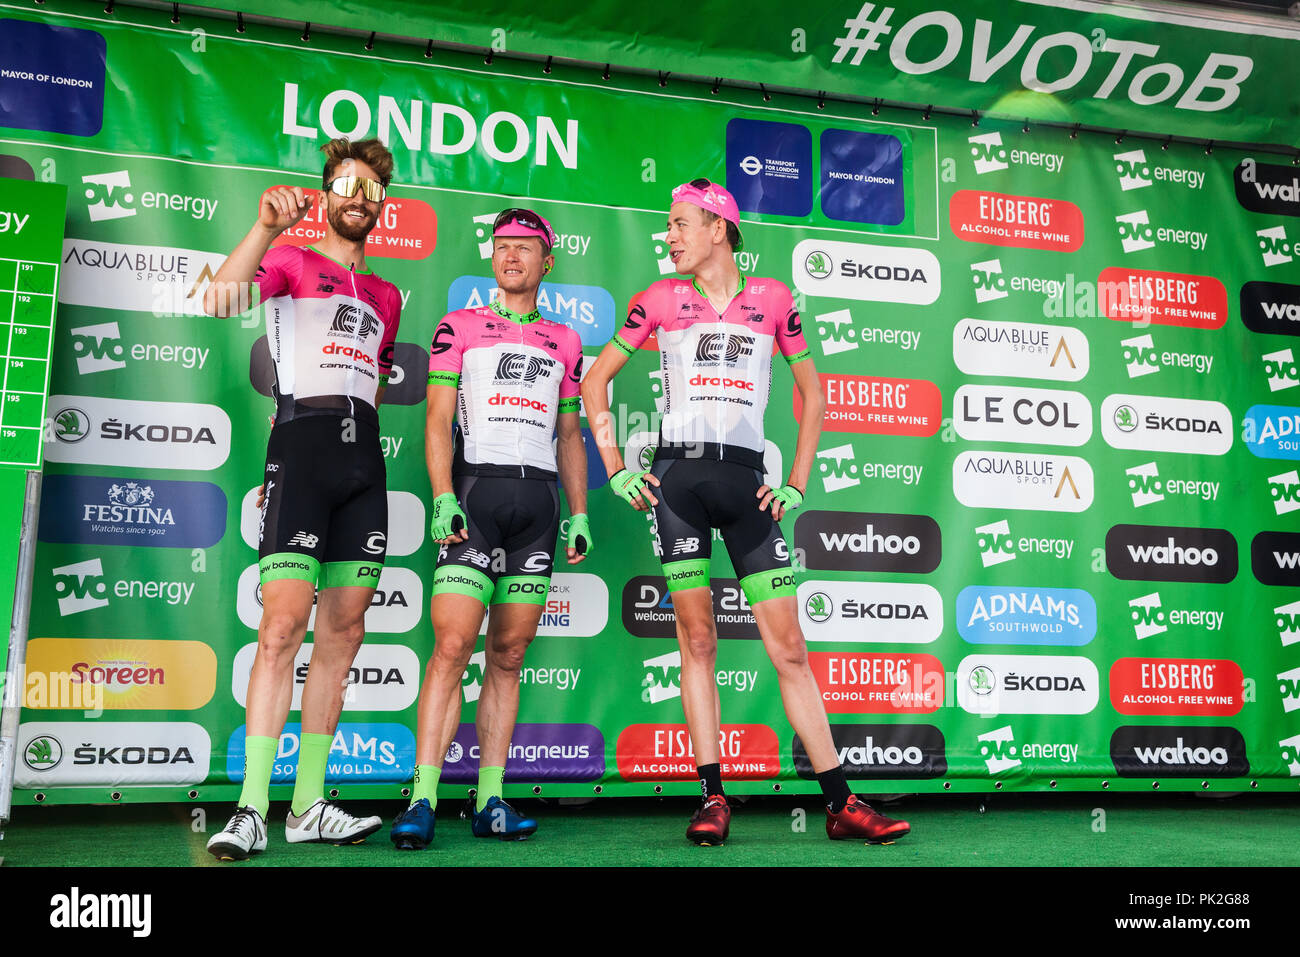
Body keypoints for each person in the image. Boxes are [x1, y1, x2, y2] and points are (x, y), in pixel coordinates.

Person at [581, 179, 911, 845]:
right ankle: (711, 796)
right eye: (669, 226)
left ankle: (842, 802)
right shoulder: (658, 299)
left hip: (747, 485)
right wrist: (615, 469)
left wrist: (795, 481)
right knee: (697, 640)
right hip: (677, 483)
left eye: (679, 225)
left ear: (719, 229)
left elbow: (813, 396)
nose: (669, 236)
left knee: (789, 646)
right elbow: (594, 380)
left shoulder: (774, 299)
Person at [201, 138, 403, 860]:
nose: (358, 198)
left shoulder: (386, 295)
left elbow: (375, 380)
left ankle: (309, 804)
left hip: (363, 464)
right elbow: (219, 299)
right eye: (346, 185)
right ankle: (252, 808)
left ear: (381, 205)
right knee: (282, 629)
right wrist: (264, 229)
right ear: (326, 193)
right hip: (302, 450)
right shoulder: (291, 259)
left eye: (370, 190)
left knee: (342, 637)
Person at [390, 208, 590, 849]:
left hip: (538, 507)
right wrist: (444, 497)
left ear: (546, 262)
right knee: (451, 649)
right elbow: (436, 421)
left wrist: (580, 510)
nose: (511, 257)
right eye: (502, 247)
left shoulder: (565, 340)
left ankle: (490, 799)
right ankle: (421, 798)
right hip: (474, 497)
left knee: (508, 655)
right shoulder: (460, 327)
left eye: (525, 248)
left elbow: (568, 435)